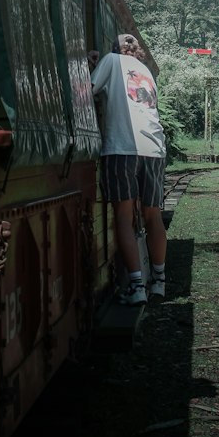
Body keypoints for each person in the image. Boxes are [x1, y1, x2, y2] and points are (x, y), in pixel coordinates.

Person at [90, 33, 167, 305]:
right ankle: (158, 282)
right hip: (154, 149)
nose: (128, 44)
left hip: (122, 147)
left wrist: (91, 66)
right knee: (152, 215)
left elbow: (88, 89)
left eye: (129, 40)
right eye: (126, 41)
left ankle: (137, 287)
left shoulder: (111, 60)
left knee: (123, 216)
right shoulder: (145, 72)